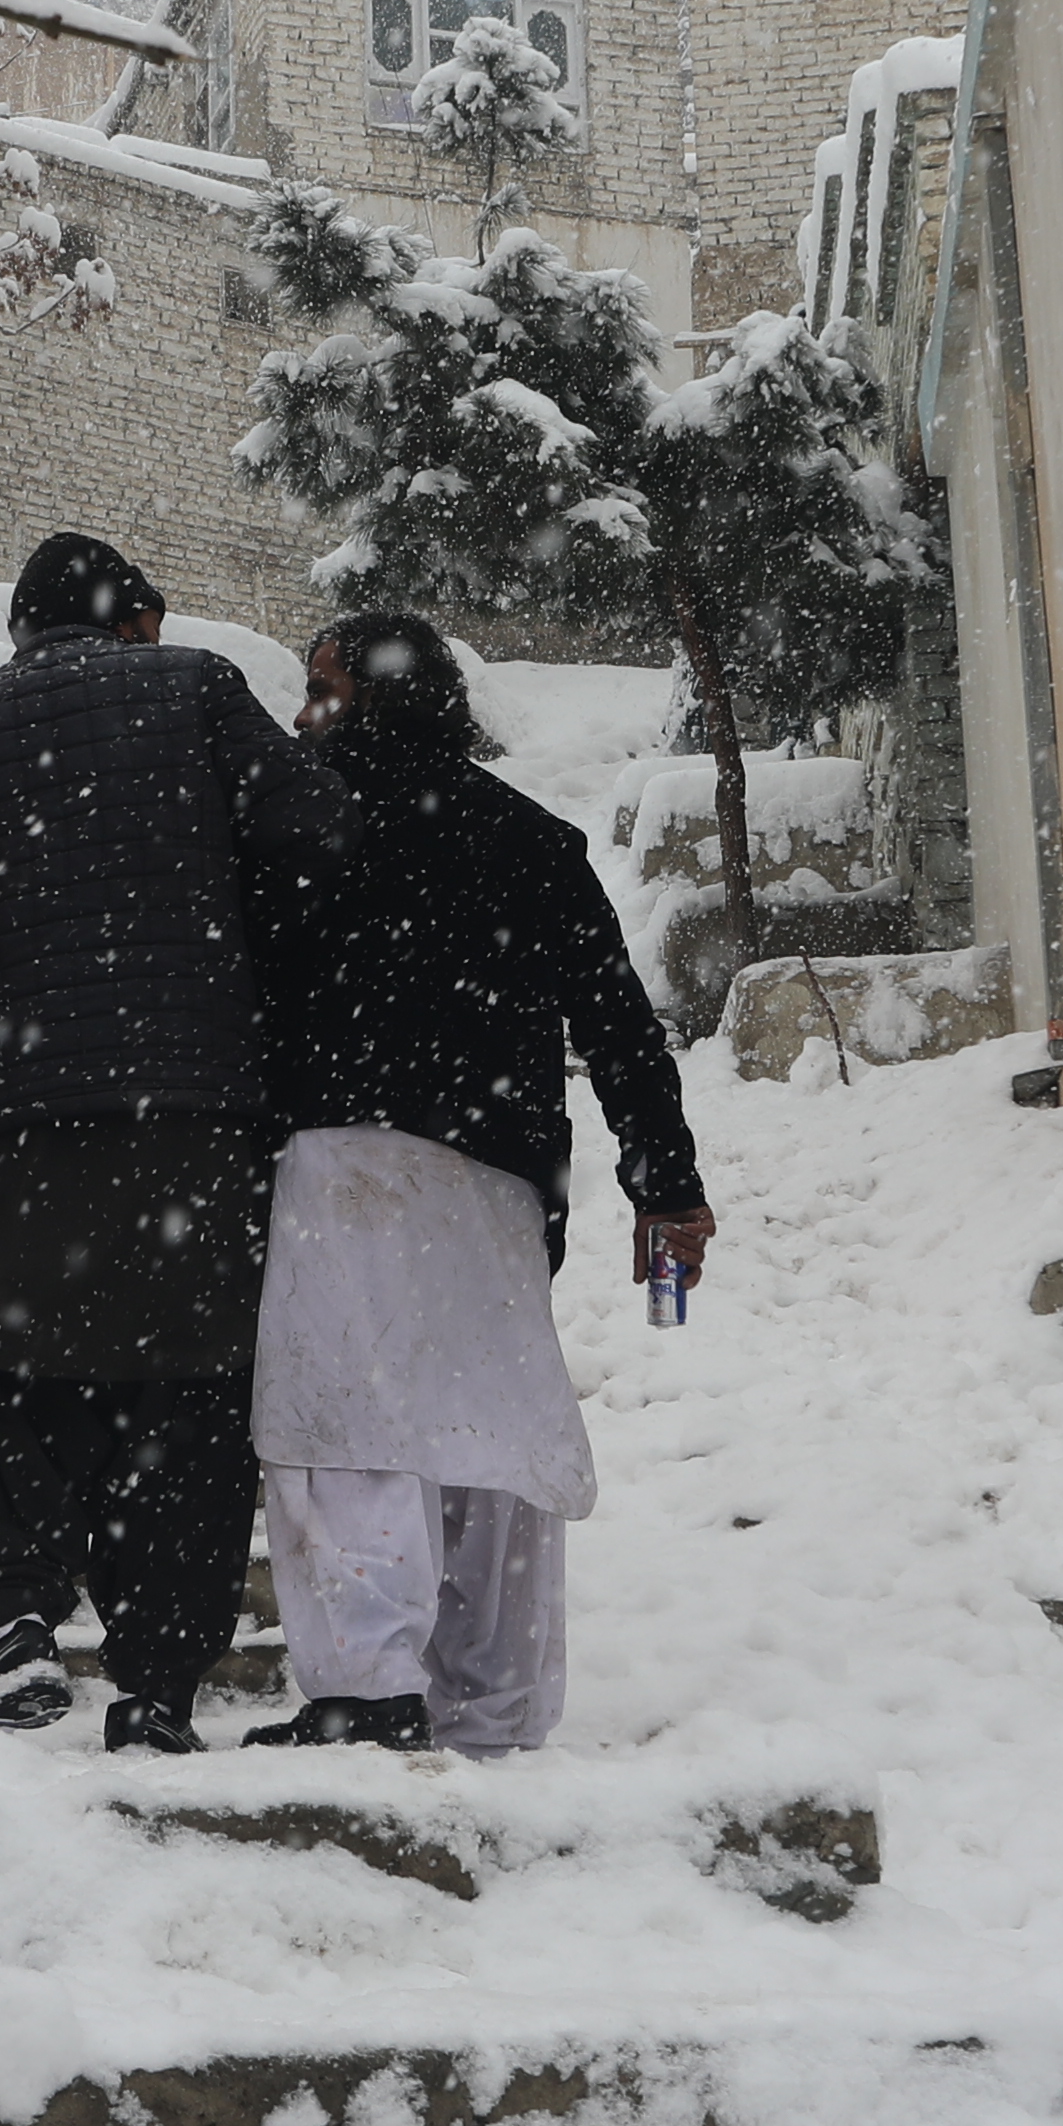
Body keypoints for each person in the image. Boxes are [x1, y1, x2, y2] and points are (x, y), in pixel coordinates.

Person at [0, 530, 350, 1752]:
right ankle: (155, 1685)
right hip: (198, 1123)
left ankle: (8, 1635)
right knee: (190, 1396)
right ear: (137, 617)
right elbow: (322, 846)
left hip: (19, 1131)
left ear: (23, 633)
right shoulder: (196, 688)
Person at [240, 609, 712, 1755]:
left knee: (345, 1423)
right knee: (483, 1427)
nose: (303, 711)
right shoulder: (528, 838)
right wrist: (665, 1184)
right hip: (494, 1179)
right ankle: (494, 1699)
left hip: (337, 1154)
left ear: (359, 696)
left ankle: (364, 1680)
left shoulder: (288, 822)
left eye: (319, 686)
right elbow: (618, 1026)